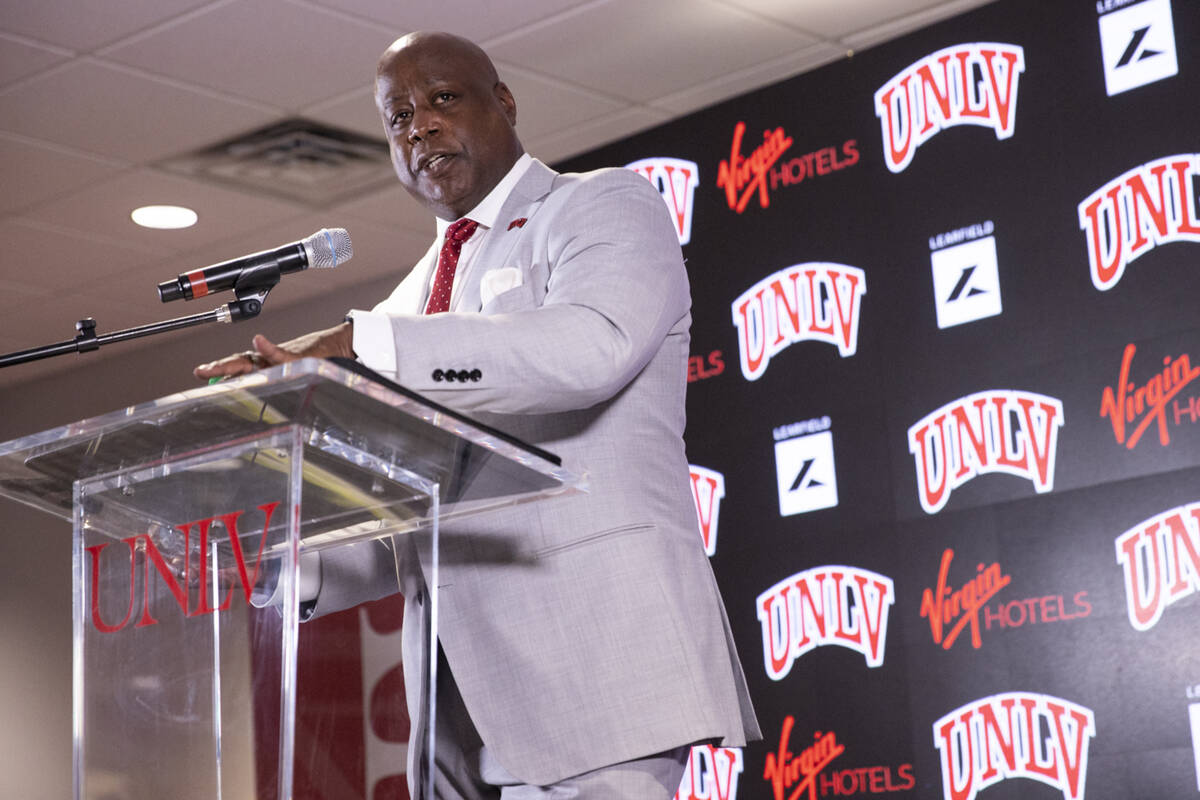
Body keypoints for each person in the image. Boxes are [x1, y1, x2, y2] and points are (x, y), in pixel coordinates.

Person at [196, 31, 759, 799]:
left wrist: (359, 339)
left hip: (595, 673)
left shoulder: (600, 204)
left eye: (442, 100)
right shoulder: (412, 296)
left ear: (504, 102)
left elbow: (593, 348)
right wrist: (268, 538)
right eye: (397, 118)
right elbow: (411, 504)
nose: (419, 126)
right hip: (458, 710)